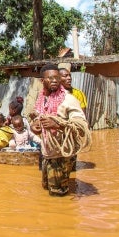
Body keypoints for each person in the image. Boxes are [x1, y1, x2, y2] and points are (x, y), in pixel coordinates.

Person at [30, 63, 91, 197]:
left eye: (57, 78)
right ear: (42, 81)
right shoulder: (42, 99)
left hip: (61, 155)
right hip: (47, 153)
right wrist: (34, 125)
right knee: (47, 190)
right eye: (50, 78)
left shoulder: (68, 99)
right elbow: (37, 117)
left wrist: (58, 124)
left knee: (58, 195)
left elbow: (82, 125)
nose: (54, 81)